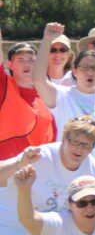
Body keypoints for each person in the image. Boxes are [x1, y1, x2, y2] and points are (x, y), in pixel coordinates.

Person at [33, 23, 95, 218]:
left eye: (94, 68)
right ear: (74, 70)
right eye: (84, 68)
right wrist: (47, 40)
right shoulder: (61, 95)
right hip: (69, 175)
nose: (89, 73)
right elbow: (38, 79)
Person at [0, 25, 58, 161]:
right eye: (20, 60)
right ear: (11, 65)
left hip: (41, 173)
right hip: (7, 173)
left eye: (31, 60)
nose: (27, 64)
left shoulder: (47, 94)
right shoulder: (4, 86)